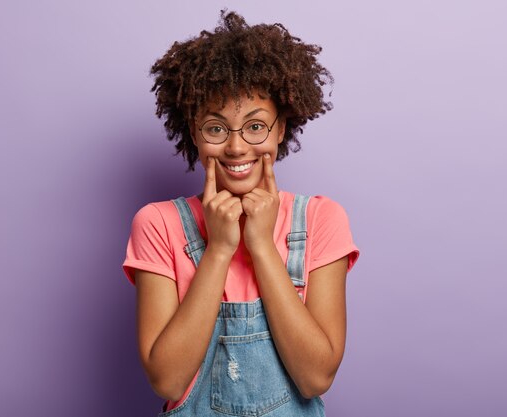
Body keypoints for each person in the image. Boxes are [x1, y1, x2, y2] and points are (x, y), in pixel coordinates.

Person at [122, 10, 360, 416]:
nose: (236, 148)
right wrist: (218, 251)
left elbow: (315, 377)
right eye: (216, 128)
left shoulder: (321, 219)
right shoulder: (158, 224)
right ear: (193, 131)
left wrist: (263, 248)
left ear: (281, 128)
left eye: (255, 126)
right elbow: (167, 380)